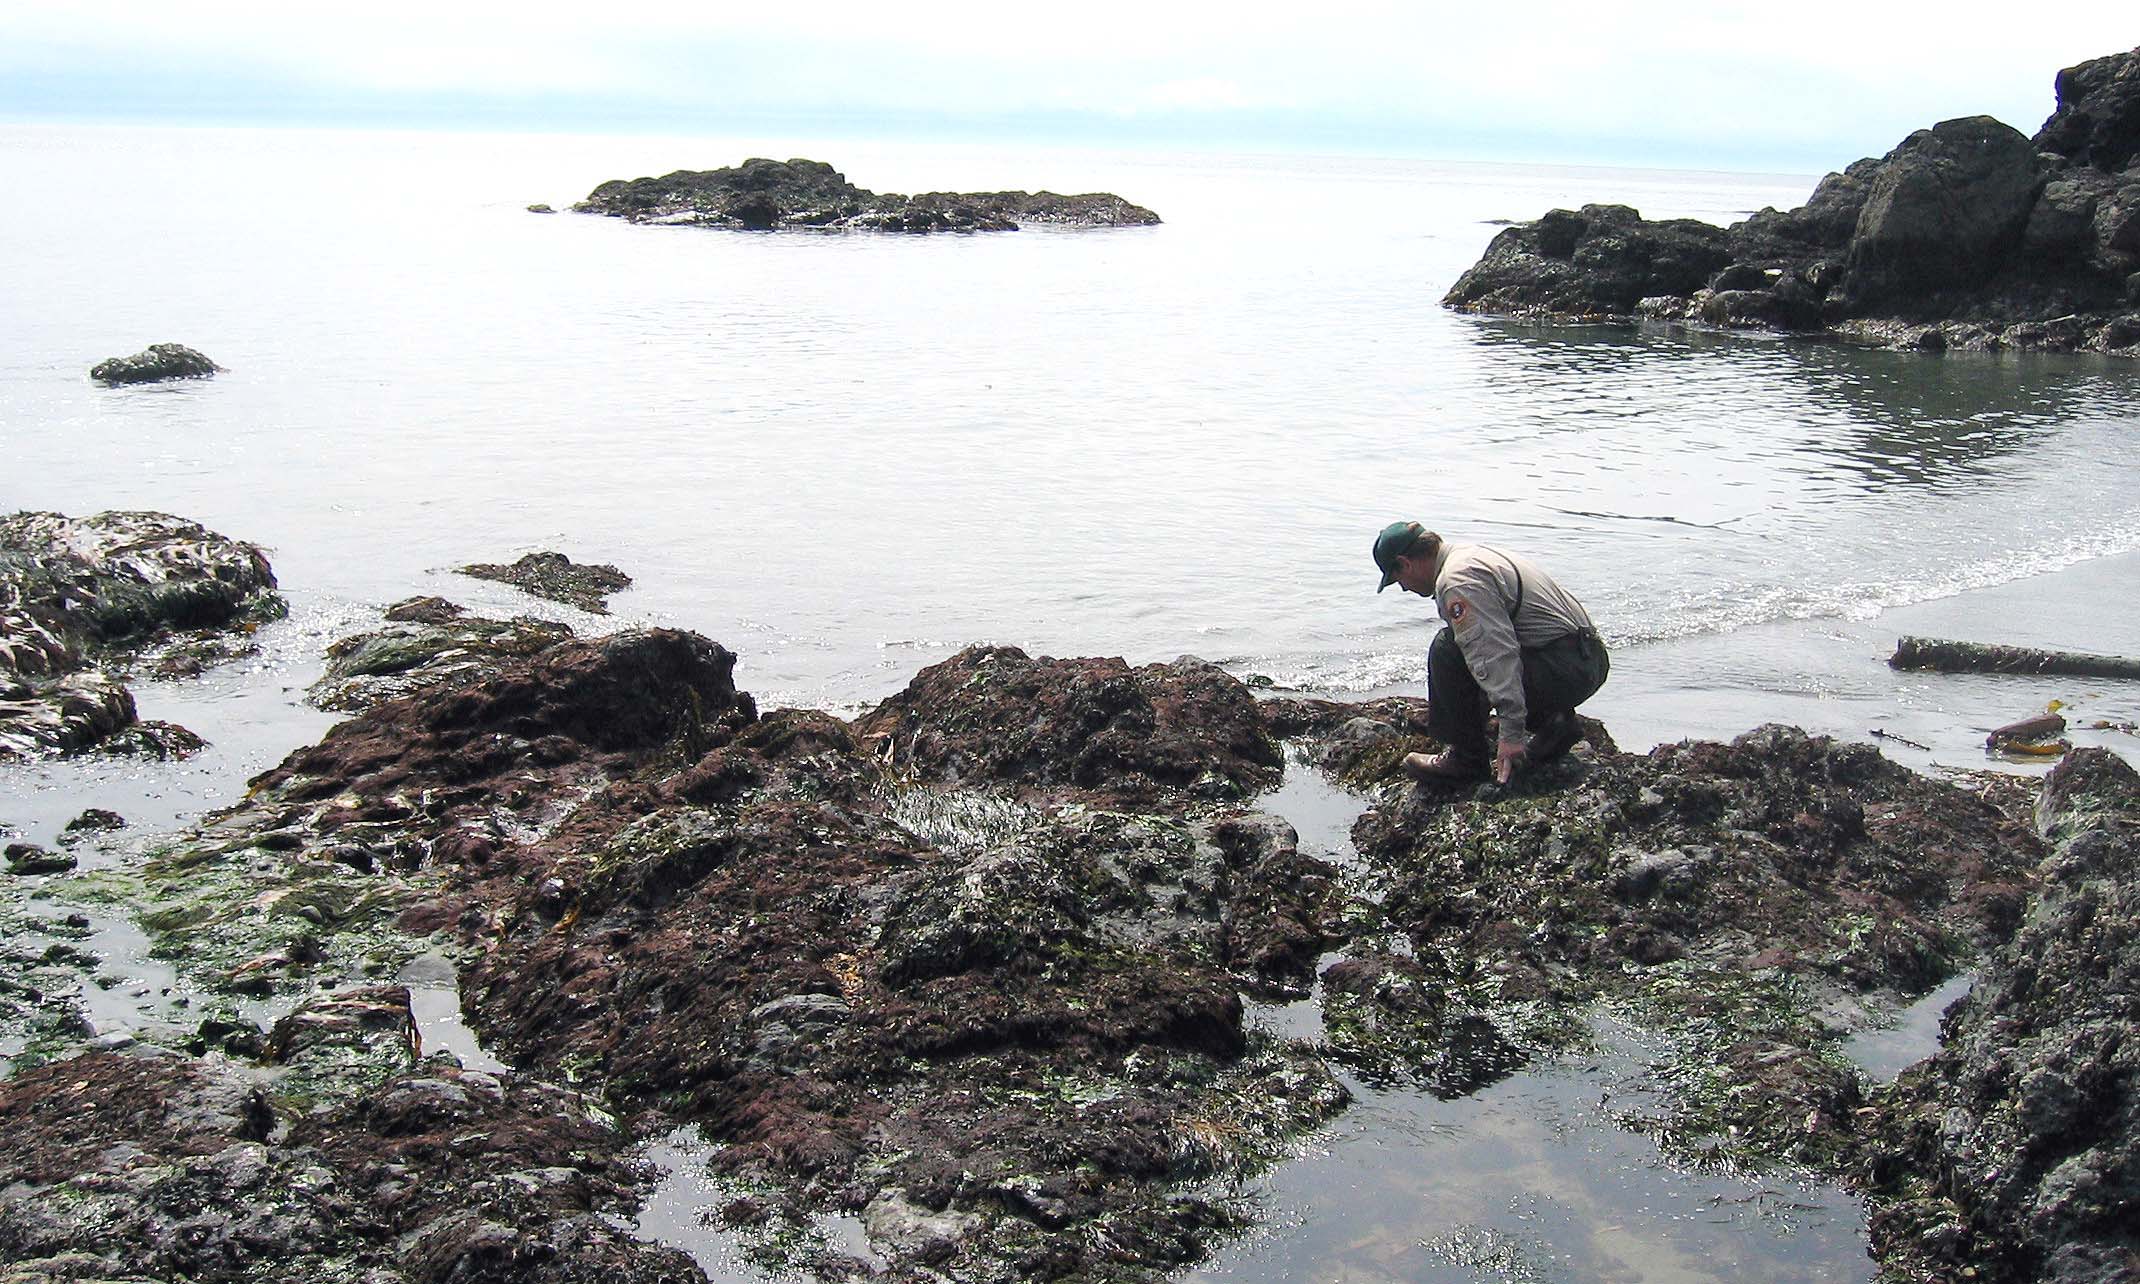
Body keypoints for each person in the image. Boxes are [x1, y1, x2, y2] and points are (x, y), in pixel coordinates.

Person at [1373, 520, 1609, 784]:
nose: (1404, 588)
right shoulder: (1469, 554)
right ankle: (1554, 725)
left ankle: (1466, 760)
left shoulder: (1457, 581)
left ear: (1405, 563)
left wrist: (1510, 735)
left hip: (1565, 667)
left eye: (1398, 580)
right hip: (1586, 660)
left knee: (1447, 648)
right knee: (1468, 648)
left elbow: (1495, 655)